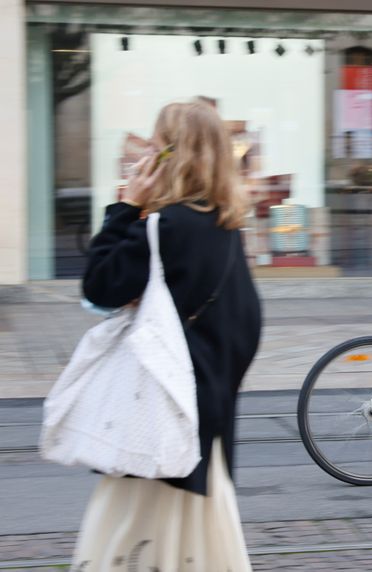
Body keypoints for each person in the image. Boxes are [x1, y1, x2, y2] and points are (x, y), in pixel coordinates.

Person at [72, 101, 261, 570]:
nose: (145, 158)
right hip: (206, 419)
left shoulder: (162, 227)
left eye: (154, 148)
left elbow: (98, 285)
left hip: (157, 418)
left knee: (130, 540)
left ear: (171, 156)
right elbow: (249, 324)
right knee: (196, 547)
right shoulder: (227, 226)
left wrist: (126, 206)